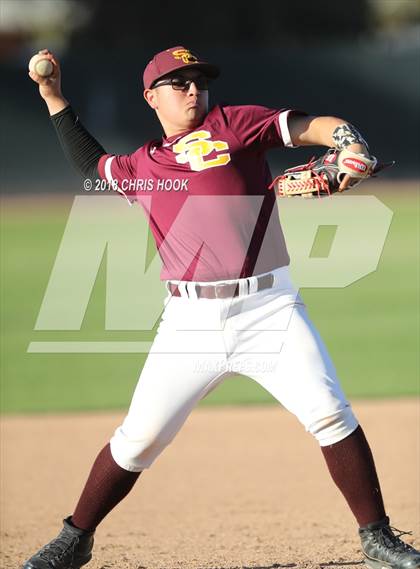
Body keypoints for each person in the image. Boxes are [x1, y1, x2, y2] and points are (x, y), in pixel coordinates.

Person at [25, 46, 419, 569]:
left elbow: (308, 126)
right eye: (178, 82)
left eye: (198, 81)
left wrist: (348, 141)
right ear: (150, 98)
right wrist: (54, 98)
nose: (193, 89)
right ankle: (75, 538)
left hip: (268, 309)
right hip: (188, 323)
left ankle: (377, 537)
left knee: (330, 413)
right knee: (138, 440)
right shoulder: (144, 167)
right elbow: (89, 160)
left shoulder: (235, 125)